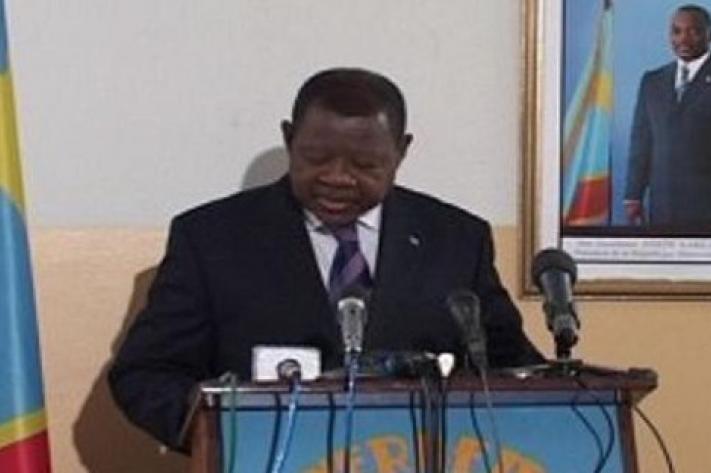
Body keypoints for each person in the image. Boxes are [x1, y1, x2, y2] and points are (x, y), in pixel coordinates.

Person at [109, 68, 543, 450]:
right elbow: (147, 373)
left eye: (365, 164)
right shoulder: (211, 239)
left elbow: (512, 370)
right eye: (315, 158)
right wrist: (220, 435)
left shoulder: (456, 240)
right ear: (288, 138)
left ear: (402, 150)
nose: (337, 178)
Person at [624, 4, 711, 227]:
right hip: (663, 205)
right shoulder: (652, 81)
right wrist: (633, 195)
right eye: (676, 31)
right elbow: (641, 142)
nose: (683, 39)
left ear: (708, 34)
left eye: (693, 31)